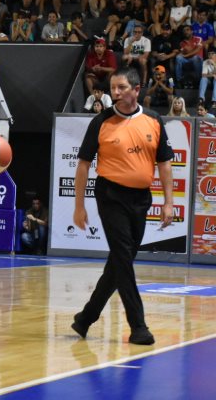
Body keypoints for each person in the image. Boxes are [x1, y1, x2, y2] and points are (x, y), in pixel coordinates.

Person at [72, 66, 175, 346]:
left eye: (121, 88)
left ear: (136, 89)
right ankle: (138, 326)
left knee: (121, 261)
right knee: (122, 257)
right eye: (112, 89)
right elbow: (83, 166)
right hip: (110, 195)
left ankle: (85, 318)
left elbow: (165, 165)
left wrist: (169, 202)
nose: (114, 93)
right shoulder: (101, 121)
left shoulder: (154, 120)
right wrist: (78, 205)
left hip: (141, 199)